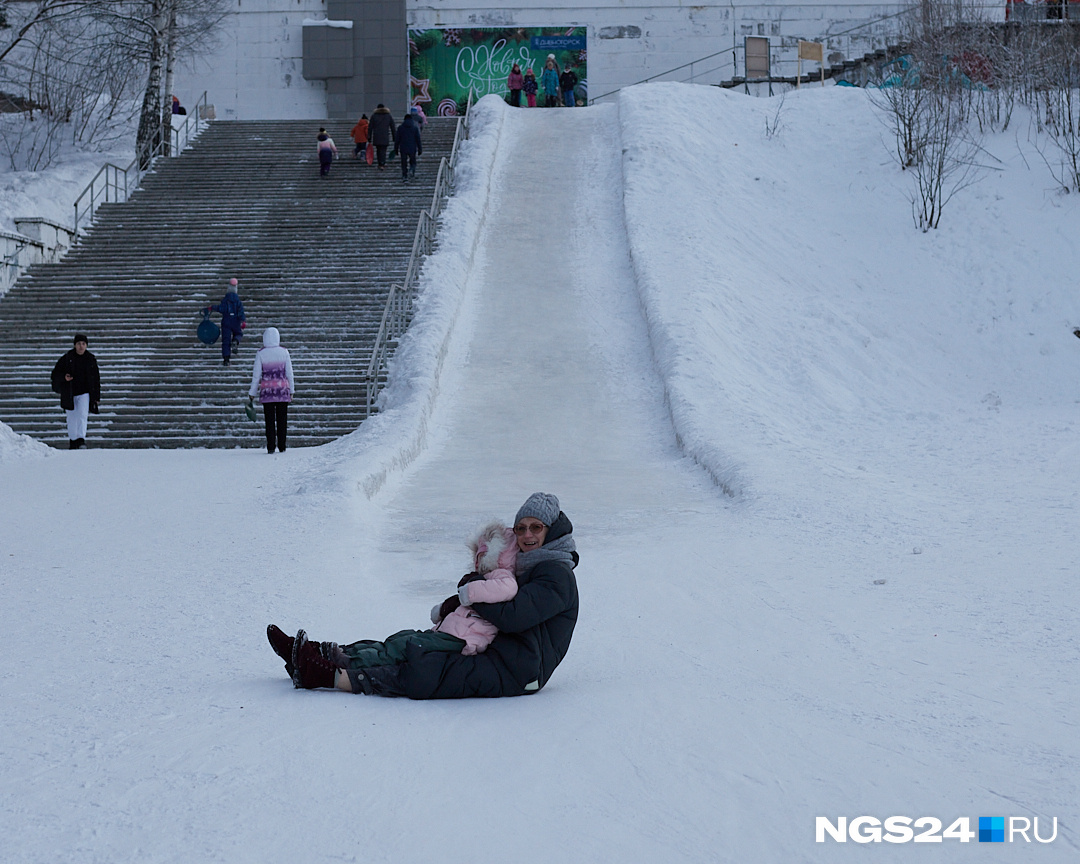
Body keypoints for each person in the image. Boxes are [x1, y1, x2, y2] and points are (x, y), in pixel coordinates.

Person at [267, 492, 580, 699]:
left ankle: (326, 675)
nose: (527, 535)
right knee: (409, 642)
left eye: (535, 528)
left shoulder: (556, 573)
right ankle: (316, 652)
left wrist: (469, 591)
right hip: (499, 652)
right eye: (521, 528)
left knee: (423, 668)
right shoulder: (529, 565)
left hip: (522, 671)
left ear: (550, 531)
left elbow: (513, 617)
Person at [248, 326, 294, 454]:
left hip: (267, 391)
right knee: (282, 419)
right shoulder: (284, 352)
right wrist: (292, 390)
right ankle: (282, 445)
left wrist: (252, 393)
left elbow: (256, 376)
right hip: (282, 390)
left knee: (269, 421)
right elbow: (289, 373)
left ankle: (271, 446)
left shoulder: (261, 353)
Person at [50, 333, 100, 449]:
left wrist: (96, 396)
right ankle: (73, 440)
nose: (81, 346)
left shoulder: (90, 359)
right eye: (78, 344)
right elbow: (55, 373)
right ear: (74, 345)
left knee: (82, 415)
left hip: (85, 392)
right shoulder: (67, 358)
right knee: (71, 417)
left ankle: (81, 439)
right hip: (70, 392)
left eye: (83, 344)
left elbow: (96, 378)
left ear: (86, 345)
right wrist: (64, 378)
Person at [206, 277, 246, 366]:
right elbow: (241, 312)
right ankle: (235, 341)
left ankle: (226, 360)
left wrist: (212, 307)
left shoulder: (225, 300)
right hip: (235, 321)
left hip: (226, 322)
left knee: (226, 340)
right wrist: (243, 321)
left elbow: (221, 308)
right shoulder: (238, 302)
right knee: (238, 333)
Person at [396, 109, 422, 182]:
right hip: (412, 147)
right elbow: (418, 139)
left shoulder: (400, 128)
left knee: (403, 162)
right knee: (413, 161)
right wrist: (420, 149)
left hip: (403, 148)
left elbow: (397, 139)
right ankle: (412, 170)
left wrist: (396, 149)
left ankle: (405, 175)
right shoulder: (414, 128)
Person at [368, 104, 397, 170]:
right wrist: (394, 137)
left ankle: (380, 163)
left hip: (377, 136)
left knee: (378, 150)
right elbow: (393, 127)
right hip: (385, 136)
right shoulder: (388, 116)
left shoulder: (374, 116)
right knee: (383, 150)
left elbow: (370, 127)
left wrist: (369, 137)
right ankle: (382, 163)